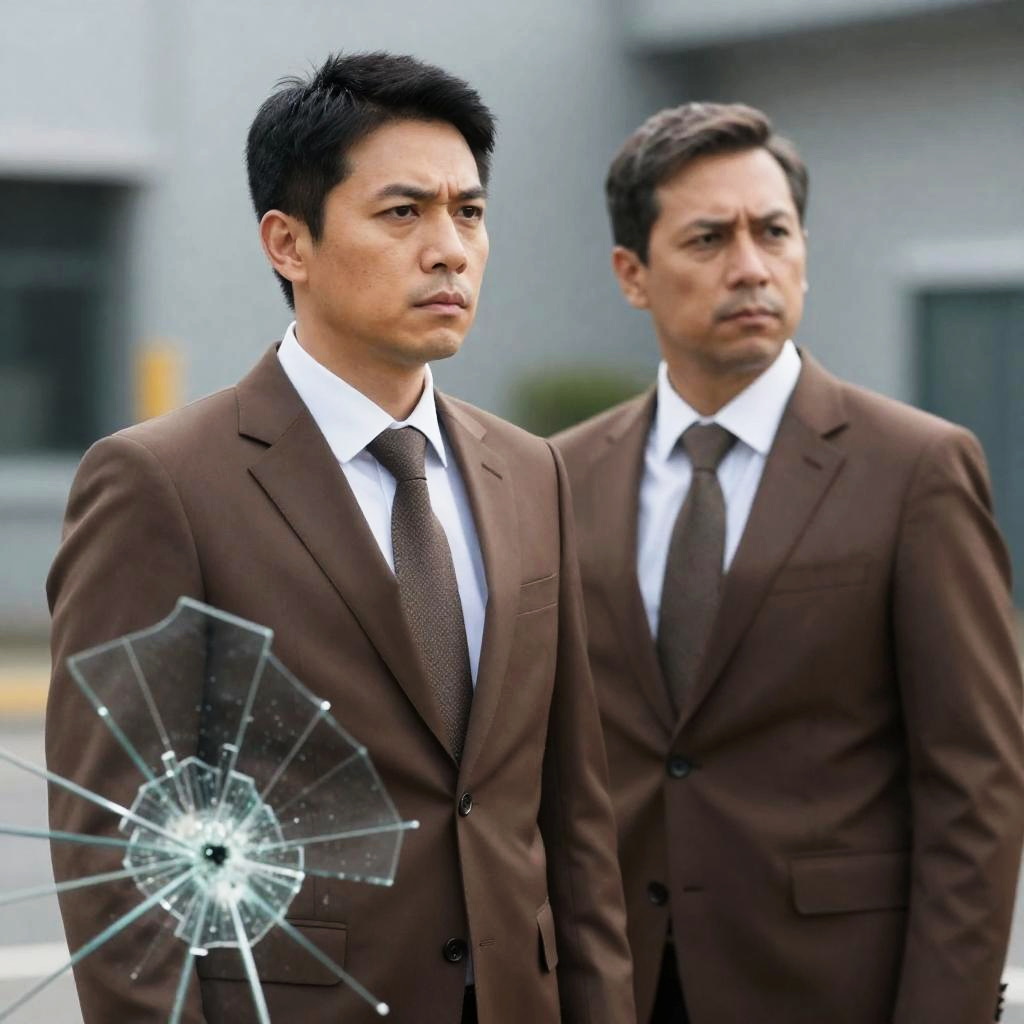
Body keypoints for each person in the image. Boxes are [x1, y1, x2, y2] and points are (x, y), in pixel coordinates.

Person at [46, 52, 635, 1024]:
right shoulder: (163, 485)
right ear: (289, 243)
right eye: (403, 213)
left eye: (470, 212)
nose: (449, 250)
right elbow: (118, 847)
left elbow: (572, 818)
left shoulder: (531, 472)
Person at [552, 101, 1024, 1024]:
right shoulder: (559, 476)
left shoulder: (916, 468)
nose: (750, 267)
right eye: (708, 239)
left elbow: (977, 783)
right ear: (632, 274)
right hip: (616, 984)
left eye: (773, 232)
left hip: (831, 987)